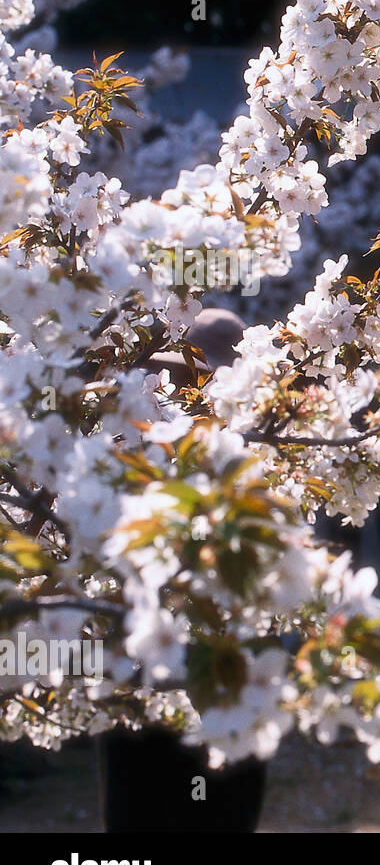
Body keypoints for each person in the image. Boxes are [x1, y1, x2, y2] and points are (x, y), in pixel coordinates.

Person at [95, 305, 269, 832]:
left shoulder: (264, 455)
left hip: (223, 673)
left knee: (222, 809)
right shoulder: (130, 447)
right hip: (144, 668)